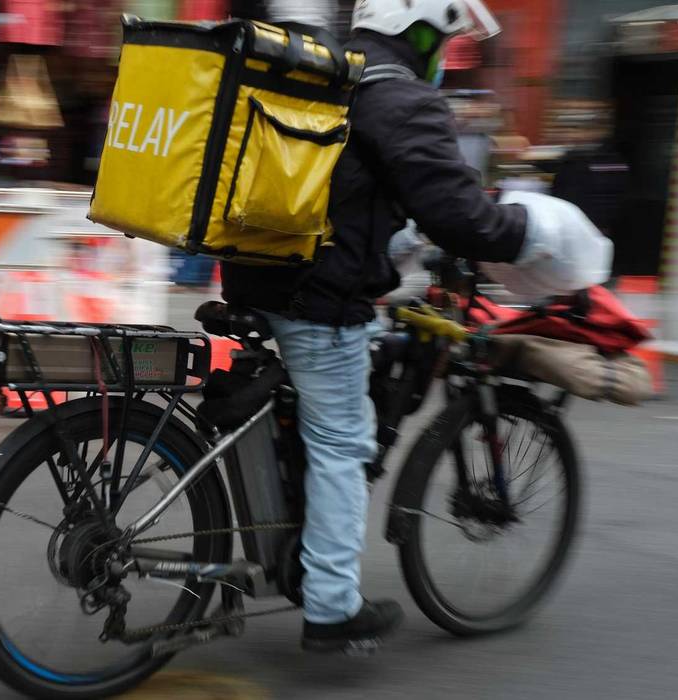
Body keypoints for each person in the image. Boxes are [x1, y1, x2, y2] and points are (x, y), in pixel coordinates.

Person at [222, 0, 610, 653]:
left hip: (255, 274)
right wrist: (533, 234)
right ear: (423, 30)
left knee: (324, 405)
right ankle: (331, 607)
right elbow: (461, 217)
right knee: (344, 441)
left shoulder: (335, 76)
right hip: (314, 295)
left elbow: (350, 188)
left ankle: (291, 536)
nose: (443, 59)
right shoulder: (398, 97)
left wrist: (395, 237)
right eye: (446, 42)